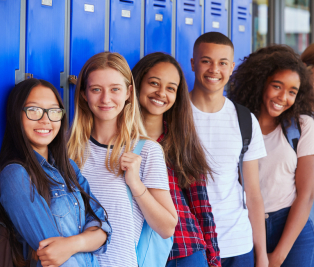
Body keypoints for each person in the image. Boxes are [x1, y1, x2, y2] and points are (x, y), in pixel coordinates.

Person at [67, 52, 178, 267]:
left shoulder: (147, 151)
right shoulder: (67, 149)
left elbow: (167, 228)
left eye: (115, 89)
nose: (106, 99)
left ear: (128, 93)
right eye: (96, 89)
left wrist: (135, 184)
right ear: (83, 94)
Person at [0, 78, 112, 267]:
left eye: (53, 111)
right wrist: (86, 241)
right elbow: (51, 254)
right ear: (15, 115)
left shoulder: (68, 167)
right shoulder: (16, 175)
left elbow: (103, 227)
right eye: (33, 110)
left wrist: (71, 244)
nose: (45, 120)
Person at [132, 52, 221, 267]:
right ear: (136, 84)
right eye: (154, 83)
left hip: (184, 250)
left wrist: (214, 260)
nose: (161, 93)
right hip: (136, 252)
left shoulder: (181, 141)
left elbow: (201, 206)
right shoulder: (117, 141)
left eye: (171, 88)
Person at [229, 44, 314, 267]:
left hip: (290, 229)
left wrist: (278, 256)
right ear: (260, 82)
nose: (283, 97)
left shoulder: (302, 126)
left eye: (292, 92)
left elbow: (305, 195)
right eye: (277, 86)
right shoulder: (234, 122)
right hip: (243, 224)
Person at [189, 32, 268, 267]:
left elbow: (253, 193)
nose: (214, 69)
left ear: (231, 67)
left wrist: (261, 254)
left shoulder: (245, 119)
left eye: (222, 63)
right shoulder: (174, 115)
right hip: (191, 246)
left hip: (238, 245)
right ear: (193, 63)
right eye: (206, 61)